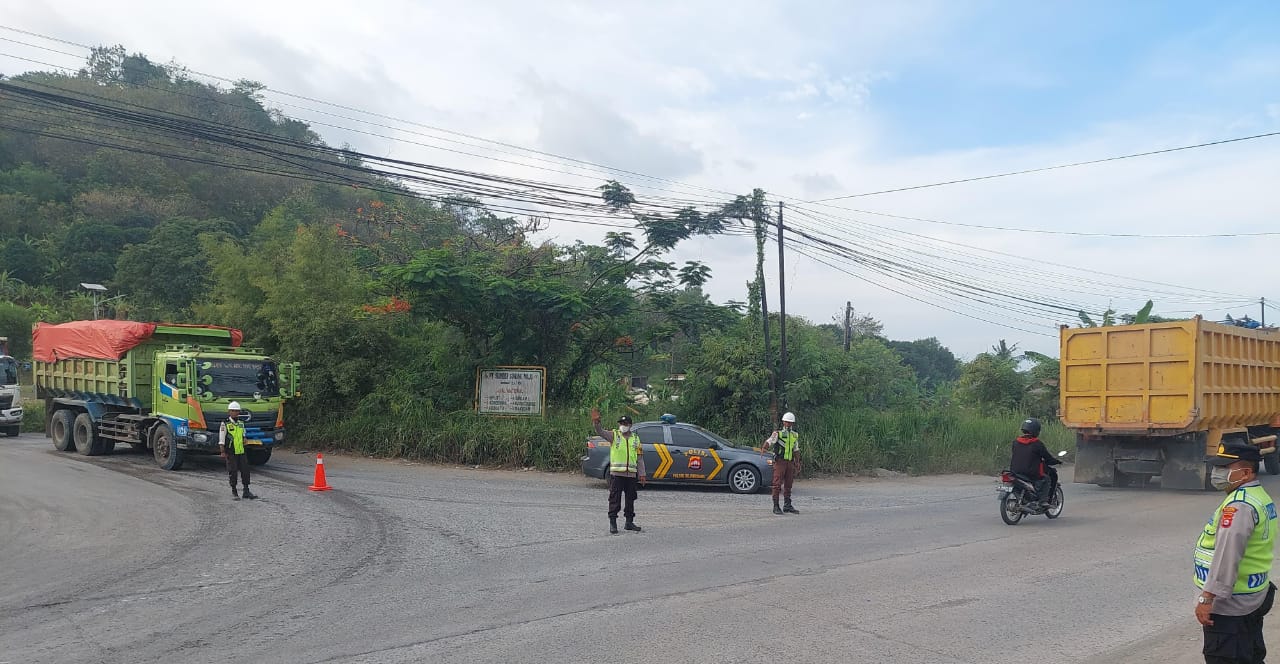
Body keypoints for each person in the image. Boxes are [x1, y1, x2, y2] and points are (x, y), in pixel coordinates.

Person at [1194, 438, 1277, 664]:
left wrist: (1207, 597)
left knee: (1225, 658)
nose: (1217, 473)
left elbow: (1227, 556)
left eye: (1224, 468)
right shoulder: (1258, 496)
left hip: (1230, 604)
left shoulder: (1239, 506)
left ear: (1246, 473)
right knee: (1249, 656)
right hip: (1252, 595)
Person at [592, 408, 645, 535]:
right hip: (617, 474)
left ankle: (629, 522)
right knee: (614, 499)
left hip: (631, 474)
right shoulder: (614, 435)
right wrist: (596, 422)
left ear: (630, 425)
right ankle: (613, 523)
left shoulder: (636, 439)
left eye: (625, 424)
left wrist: (642, 474)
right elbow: (600, 431)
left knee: (630, 499)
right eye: (621, 423)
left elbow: (640, 458)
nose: (622, 426)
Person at [1009, 418, 1060, 507]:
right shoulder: (1037, 444)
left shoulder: (1015, 442)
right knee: (1047, 479)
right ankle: (1043, 501)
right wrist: (1057, 461)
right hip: (1031, 473)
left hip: (1015, 471)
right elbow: (1047, 458)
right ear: (1036, 431)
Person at [763, 411, 801, 515]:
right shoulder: (777, 434)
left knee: (789, 484)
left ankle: (787, 505)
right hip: (779, 462)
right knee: (777, 484)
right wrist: (764, 447)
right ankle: (776, 506)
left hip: (790, 462)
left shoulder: (794, 435)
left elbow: (796, 449)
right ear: (783, 422)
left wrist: (797, 461)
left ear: (792, 423)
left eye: (790, 422)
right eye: (787, 422)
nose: (788, 424)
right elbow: (769, 441)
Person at [219, 401, 257, 501]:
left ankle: (246, 490)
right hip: (231, 451)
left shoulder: (241, 423)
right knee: (233, 471)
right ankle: (234, 491)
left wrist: (245, 439)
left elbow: (243, 434)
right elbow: (222, 438)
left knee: (245, 470)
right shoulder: (225, 424)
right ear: (229, 412)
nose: (235, 413)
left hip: (241, 450)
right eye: (233, 411)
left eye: (237, 411)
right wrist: (222, 451)